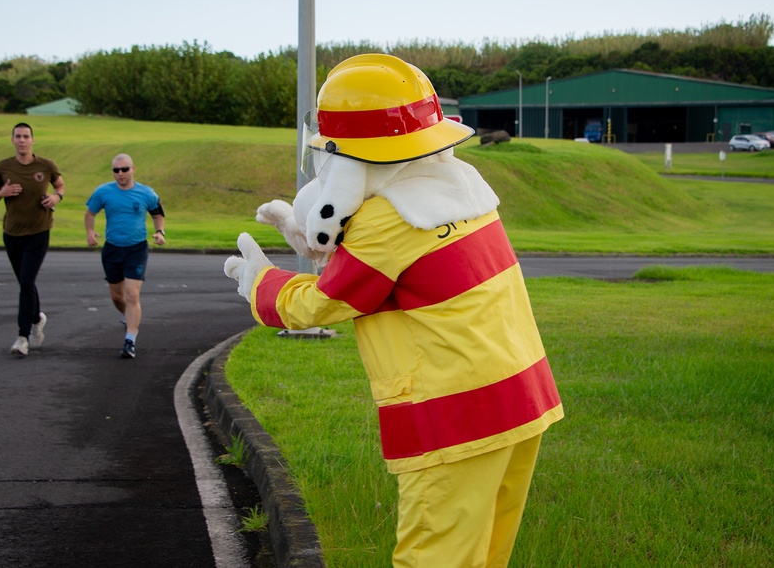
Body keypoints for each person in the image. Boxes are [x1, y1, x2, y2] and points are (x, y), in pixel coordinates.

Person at [225, 54, 563, 568]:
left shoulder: (388, 219)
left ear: (347, 155)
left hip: (456, 413)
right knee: (486, 554)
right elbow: (401, 276)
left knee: (433, 557)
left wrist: (260, 282)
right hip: (521, 396)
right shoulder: (461, 185)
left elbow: (323, 303)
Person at [0, 122, 65, 357]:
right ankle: (37, 316)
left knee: (27, 282)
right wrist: (2, 193)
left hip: (39, 232)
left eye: (26, 136)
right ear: (12, 140)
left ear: (33, 140)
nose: (22, 140)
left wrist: (56, 198)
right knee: (25, 283)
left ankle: (22, 337)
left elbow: (59, 185)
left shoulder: (46, 165)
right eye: (18, 136)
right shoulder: (4, 167)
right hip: (12, 233)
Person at [84, 153, 165, 359]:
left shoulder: (146, 193)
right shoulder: (104, 192)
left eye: (125, 169)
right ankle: (127, 316)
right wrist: (90, 232)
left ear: (133, 169)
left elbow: (157, 213)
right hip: (112, 248)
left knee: (132, 295)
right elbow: (90, 213)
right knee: (117, 296)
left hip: (136, 249)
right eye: (116, 170)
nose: (120, 174)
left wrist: (160, 231)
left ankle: (130, 340)